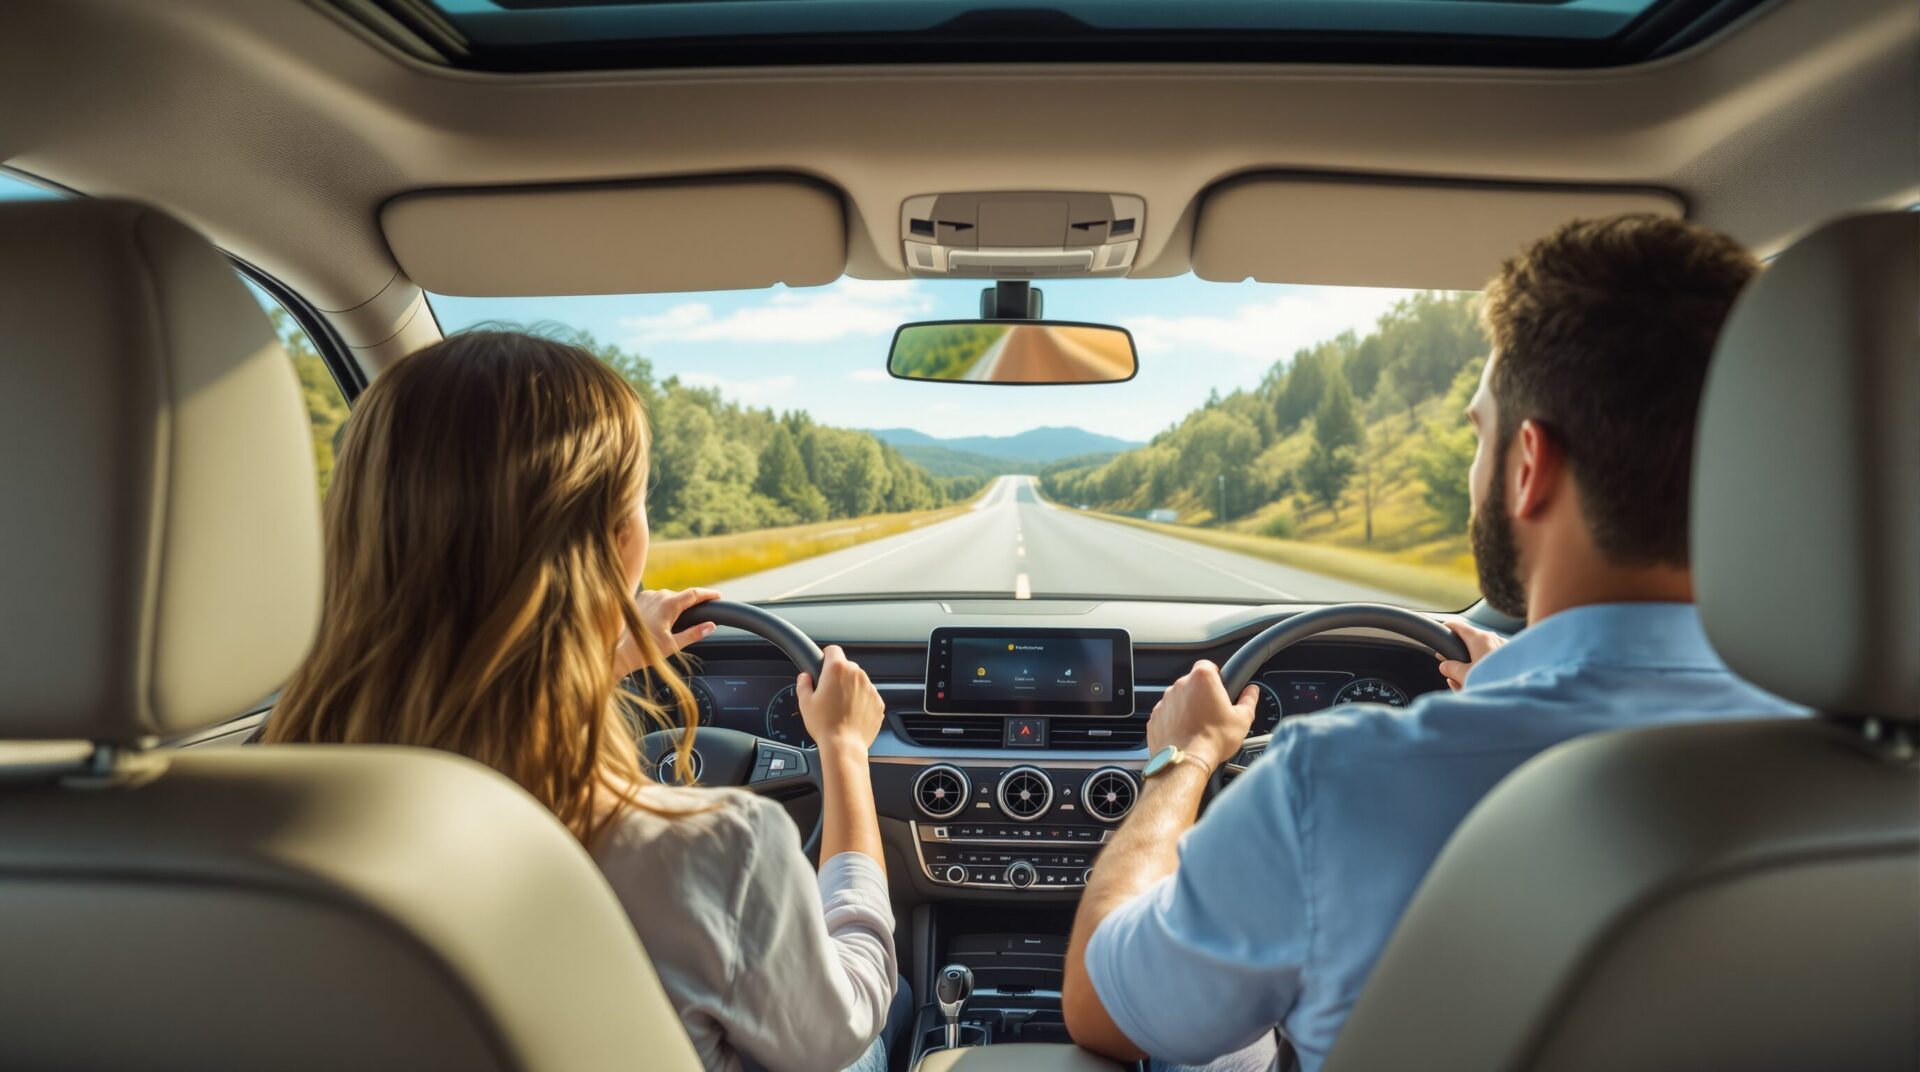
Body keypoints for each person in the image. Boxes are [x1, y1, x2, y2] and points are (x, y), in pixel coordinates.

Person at [1061, 216, 1806, 1072]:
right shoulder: (1877, 775)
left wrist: (1183, 761)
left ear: (1528, 466)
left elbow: (1100, 1005)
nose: (1473, 467)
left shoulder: (1338, 784)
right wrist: (1509, 690)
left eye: (1480, 434)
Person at [265, 331, 905, 1072]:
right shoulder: (708, 854)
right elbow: (846, 1019)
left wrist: (607, 653)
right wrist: (844, 751)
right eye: (638, 502)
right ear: (615, 545)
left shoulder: (249, 818)